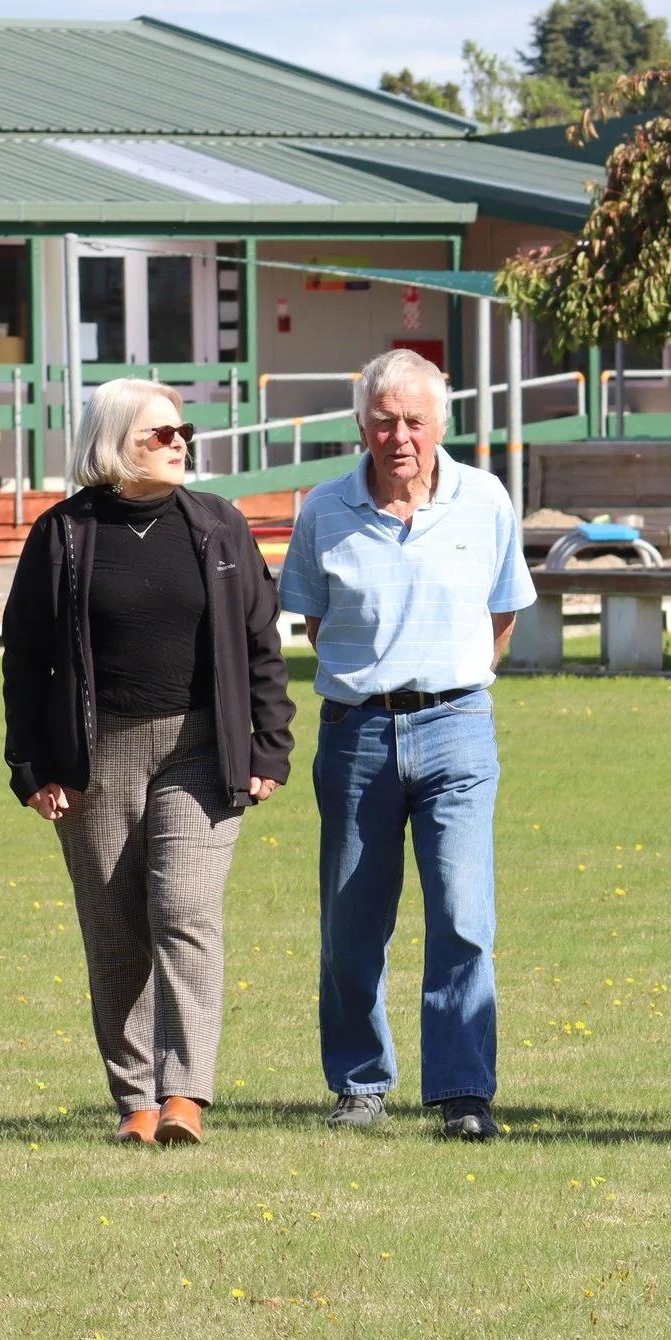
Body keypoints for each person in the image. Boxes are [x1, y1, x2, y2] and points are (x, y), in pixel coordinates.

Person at [1, 377, 293, 1146]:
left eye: (181, 431)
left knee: (186, 913)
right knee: (114, 927)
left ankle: (186, 1093)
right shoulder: (62, 535)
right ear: (112, 443)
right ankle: (135, 1098)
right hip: (94, 756)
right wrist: (31, 764)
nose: (178, 443)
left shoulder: (219, 527)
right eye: (158, 434)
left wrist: (269, 744)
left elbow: (262, 642)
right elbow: (26, 661)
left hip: (202, 749)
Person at [281, 348, 534, 1143]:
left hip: (458, 725)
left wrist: (446, 678)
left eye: (414, 421)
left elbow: (503, 612)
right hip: (356, 733)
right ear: (361, 425)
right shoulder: (323, 509)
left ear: (440, 426)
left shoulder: (485, 499)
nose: (400, 436)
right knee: (353, 922)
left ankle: (463, 1090)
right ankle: (360, 1082)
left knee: (463, 911)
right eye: (384, 420)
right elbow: (315, 624)